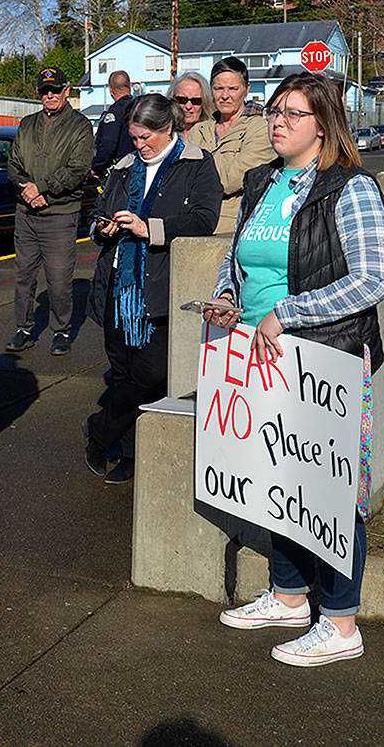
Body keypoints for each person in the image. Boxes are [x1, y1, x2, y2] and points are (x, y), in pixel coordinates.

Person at [209, 72, 384, 667]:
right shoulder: (263, 181)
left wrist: (289, 312)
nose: (277, 121)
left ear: (324, 124)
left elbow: (372, 280)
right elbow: (240, 259)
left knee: (329, 488)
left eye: (292, 113)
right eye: (274, 112)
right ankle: (289, 593)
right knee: (273, 480)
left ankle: (340, 623)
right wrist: (226, 297)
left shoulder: (351, 187)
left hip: (326, 357)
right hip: (257, 353)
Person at [83, 94, 222, 485]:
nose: (139, 145)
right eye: (134, 137)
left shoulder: (196, 164)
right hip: (117, 285)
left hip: (159, 287)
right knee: (122, 371)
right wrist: (103, 228)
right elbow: (96, 217)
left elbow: (203, 220)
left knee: (150, 373)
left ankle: (99, 430)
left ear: (168, 129)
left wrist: (149, 228)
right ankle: (127, 453)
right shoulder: (124, 167)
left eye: (146, 138)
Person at [5, 66, 94, 356]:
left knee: (58, 280)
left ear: (67, 90)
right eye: (45, 90)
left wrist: (41, 188)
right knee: (23, 277)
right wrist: (27, 191)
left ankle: (61, 331)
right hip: (26, 215)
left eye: (55, 89)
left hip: (60, 214)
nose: (50, 94)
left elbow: (77, 169)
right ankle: (23, 329)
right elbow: (13, 166)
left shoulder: (80, 126)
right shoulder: (27, 124)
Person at [188, 57, 274, 234]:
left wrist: (194, 180)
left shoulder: (261, 129)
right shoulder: (199, 130)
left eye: (233, 89)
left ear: (246, 89)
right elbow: (180, 176)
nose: (225, 95)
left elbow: (233, 178)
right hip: (192, 222)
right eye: (218, 88)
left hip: (232, 227)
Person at [90, 70, 136, 181]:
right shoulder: (140, 107)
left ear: (110, 90)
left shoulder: (114, 113)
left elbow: (108, 144)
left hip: (122, 171)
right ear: (130, 86)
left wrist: (97, 167)